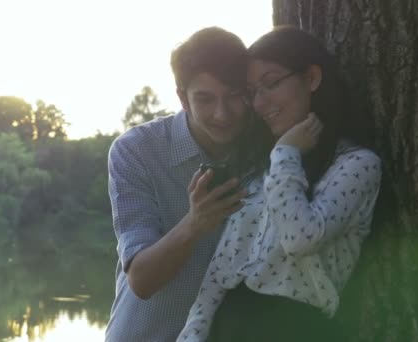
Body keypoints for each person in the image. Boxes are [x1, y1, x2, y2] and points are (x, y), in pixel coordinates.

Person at [177, 26, 382, 342]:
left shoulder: (356, 165)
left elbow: (300, 238)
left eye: (270, 84)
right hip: (227, 329)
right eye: (252, 91)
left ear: (312, 78)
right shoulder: (260, 169)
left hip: (296, 329)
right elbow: (219, 274)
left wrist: (286, 152)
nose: (259, 103)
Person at [105, 27, 260, 342]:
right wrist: (194, 224)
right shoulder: (137, 150)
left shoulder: (268, 148)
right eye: (205, 98)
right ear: (182, 98)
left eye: (234, 97)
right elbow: (142, 281)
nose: (222, 113)